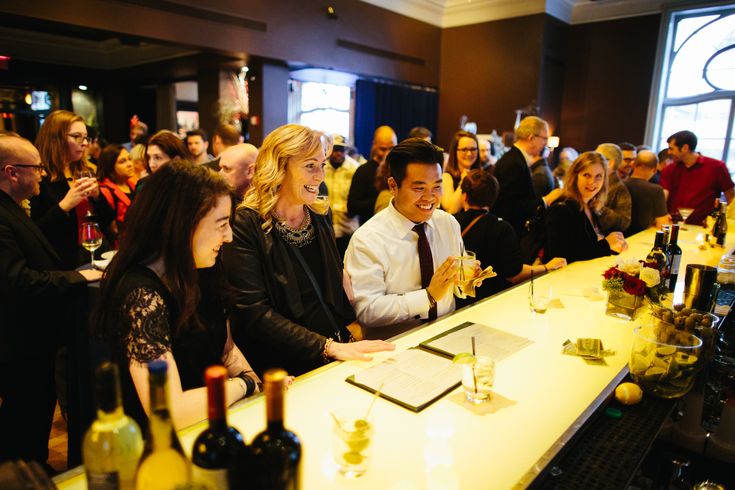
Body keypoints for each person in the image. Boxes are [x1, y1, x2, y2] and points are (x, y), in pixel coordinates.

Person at [93, 161, 261, 430]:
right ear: (183, 224)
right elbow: (169, 410)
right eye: (221, 224)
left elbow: (227, 350)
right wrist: (245, 385)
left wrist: (257, 387)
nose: (229, 236)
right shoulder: (141, 294)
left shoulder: (203, 268)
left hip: (212, 418)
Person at [222, 124, 394, 376]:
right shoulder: (245, 224)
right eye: (310, 166)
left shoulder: (319, 215)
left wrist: (351, 328)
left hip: (335, 350)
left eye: (322, 165)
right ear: (280, 168)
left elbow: (333, 284)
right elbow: (253, 313)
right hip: (283, 364)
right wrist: (328, 347)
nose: (320, 176)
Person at [0, 133, 101, 469]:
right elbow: (17, 280)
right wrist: (79, 277)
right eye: (36, 168)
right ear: (12, 172)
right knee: (24, 414)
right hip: (19, 340)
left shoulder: (12, 208)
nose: (41, 174)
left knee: (36, 413)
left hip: (32, 338)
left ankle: (34, 465)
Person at [345, 138, 466, 339]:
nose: (430, 197)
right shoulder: (367, 240)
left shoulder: (448, 224)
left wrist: (465, 279)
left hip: (447, 334)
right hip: (395, 348)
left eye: (437, 187)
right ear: (393, 185)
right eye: (419, 188)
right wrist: (427, 297)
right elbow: (367, 311)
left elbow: (455, 285)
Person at [454, 170, 566, 304]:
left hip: (456, 300)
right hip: (490, 302)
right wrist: (547, 267)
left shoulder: (451, 222)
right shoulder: (502, 228)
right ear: (494, 198)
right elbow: (514, 275)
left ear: (464, 196)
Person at [30, 110, 101, 269]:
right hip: (58, 263)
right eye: (77, 136)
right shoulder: (39, 177)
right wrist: (64, 206)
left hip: (91, 251)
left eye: (85, 137)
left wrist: (98, 197)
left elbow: (105, 218)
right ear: (55, 138)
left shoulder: (83, 170)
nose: (84, 143)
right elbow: (34, 232)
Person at [544, 152, 628, 264]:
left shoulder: (591, 206)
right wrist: (606, 244)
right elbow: (560, 256)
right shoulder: (561, 208)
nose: (592, 182)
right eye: (586, 175)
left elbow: (588, 246)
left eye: (598, 176)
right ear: (575, 177)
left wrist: (615, 244)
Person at [493, 116, 563, 237]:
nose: (546, 143)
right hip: (508, 233)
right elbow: (511, 207)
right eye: (544, 138)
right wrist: (546, 200)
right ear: (531, 138)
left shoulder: (515, 158)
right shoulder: (514, 163)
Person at [660, 130, 735, 225]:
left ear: (685, 148)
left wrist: (718, 219)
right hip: (673, 224)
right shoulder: (669, 169)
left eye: (671, 149)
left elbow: (730, 196)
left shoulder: (716, 167)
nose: (669, 152)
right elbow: (663, 196)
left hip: (702, 227)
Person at [347, 125, 396, 225]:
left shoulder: (400, 169)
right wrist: (384, 200)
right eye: (383, 149)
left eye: (391, 148)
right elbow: (352, 206)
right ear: (374, 145)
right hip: (369, 228)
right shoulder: (363, 171)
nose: (387, 153)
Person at [324, 134, 360, 257]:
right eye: (335, 149)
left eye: (341, 150)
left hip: (348, 225)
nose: (338, 153)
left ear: (346, 151)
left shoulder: (355, 168)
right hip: (327, 225)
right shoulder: (321, 167)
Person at [94, 144, 136, 246]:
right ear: (110, 166)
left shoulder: (132, 184)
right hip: (118, 246)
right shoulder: (104, 190)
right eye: (122, 161)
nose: (129, 164)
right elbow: (109, 226)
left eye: (129, 159)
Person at [624, 150, 670, 236]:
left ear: (633, 165)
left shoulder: (620, 184)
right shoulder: (656, 190)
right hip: (640, 238)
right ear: (655, 169)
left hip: (618, 238)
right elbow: (663, 225)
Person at [441, 130, 482, 214]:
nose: (469, 153)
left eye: (473, 149)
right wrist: (464, 180)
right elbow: (451, 210)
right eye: (464, 149)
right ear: (455, 152)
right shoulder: (446, 177)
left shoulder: (481, 176)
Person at [595, 143, 632, 233]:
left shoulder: (619, 188)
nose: (593, 162)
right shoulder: (594, 181)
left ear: (610, 163)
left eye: (597, 158)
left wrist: (601, 208)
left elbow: (624, 223)